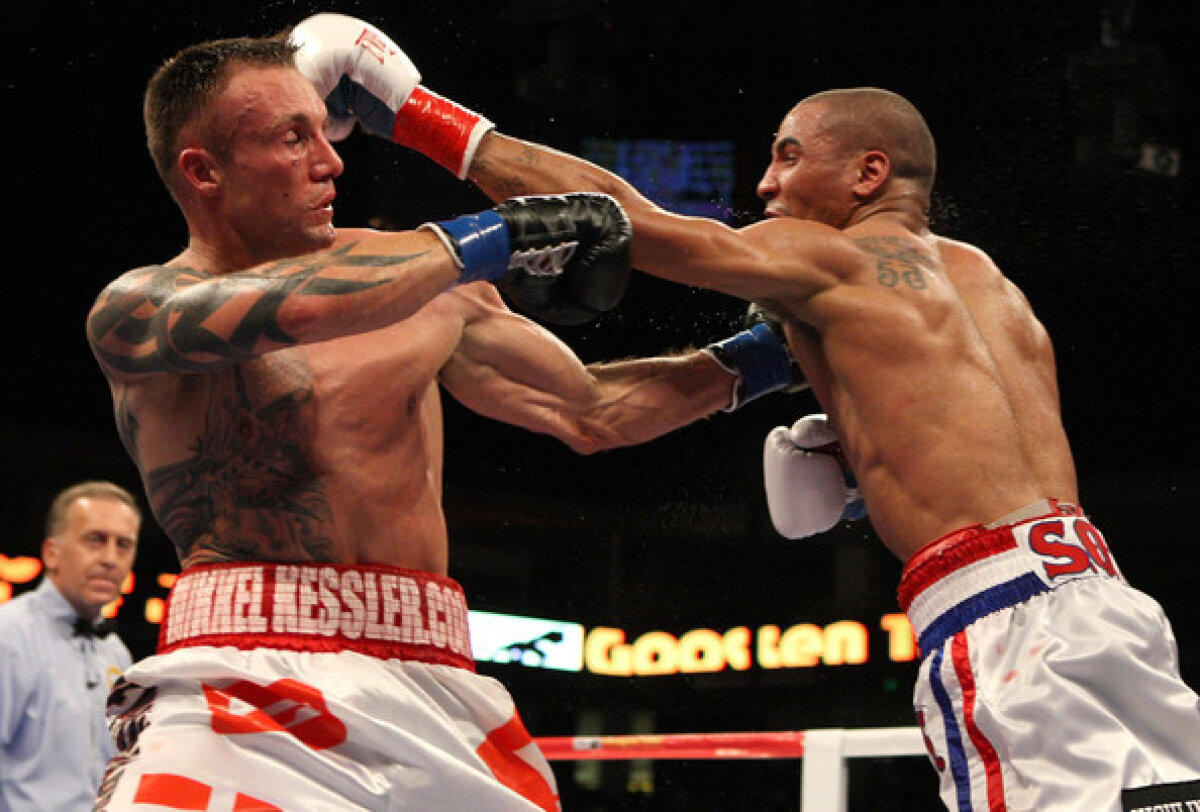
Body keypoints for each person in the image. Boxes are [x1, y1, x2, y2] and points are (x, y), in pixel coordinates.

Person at [300, 13, 1200, 809]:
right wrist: (827, 420)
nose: (767, 185)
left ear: (869, 172)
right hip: (1108, 604)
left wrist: (412, 111)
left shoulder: (832, 262)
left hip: (1005, 626)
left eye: (789, 155)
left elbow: (621, 220)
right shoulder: (988, 282)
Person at [84, 24, 803, 812]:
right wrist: (497, 235)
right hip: (239, 679)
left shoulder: (429, 284)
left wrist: (770, 357)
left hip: (433, 676)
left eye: (323, 131)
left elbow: (591, 410)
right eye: (293, 139)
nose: (331, 160)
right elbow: (306, 306)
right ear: (204, 171)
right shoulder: (140, 311)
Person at [0, 481, 141, 811]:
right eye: (95, 540)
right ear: (52, 553)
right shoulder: (8, 636)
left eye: (123, 545)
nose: (111, 559)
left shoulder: (117, 652)